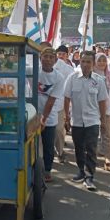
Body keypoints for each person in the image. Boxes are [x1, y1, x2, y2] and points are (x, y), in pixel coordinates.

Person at [64, 51, 107, 191]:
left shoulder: (99, 81)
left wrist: (103, 120)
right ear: (80, 62)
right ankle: (81, 171)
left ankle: (89, 176)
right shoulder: (72, 78)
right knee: (78, 148)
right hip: (77, 121)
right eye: (83, 61)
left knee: (91, 149)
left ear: (93, 64)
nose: (85, 64)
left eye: (89, 62)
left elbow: (102, 102)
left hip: (92, 121)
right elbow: (66, 98)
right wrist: (66, 116)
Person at [38, 47, 65, 182]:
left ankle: (47, 170)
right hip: (32, 116)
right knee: (32, 145)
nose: (47, 59)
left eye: (50, 57)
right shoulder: (32, 71)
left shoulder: (59, 78)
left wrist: (43, 118)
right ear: (40, 58)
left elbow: (51, 100)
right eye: (45, 56)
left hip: (49, 117)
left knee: (48, 145)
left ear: (55, 60)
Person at [94, 52, 110, 172]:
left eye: (104, 60)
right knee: (92, 135)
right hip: (93, 109)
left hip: (107, 109)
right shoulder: (90, 75)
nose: (102, 63)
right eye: (99, 60)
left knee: (107, 134)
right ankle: (91, 158)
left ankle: (108, 159)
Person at [53, 45, 75, 163]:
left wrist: (69, 109)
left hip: (61, 104)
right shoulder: (45, 67)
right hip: (45, 104)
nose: (60, 56)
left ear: (67, 55)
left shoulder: (69, 70)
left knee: (59, 130)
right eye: (59, 54)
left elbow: (70, 90)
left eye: (63, 54)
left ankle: (60, 152)